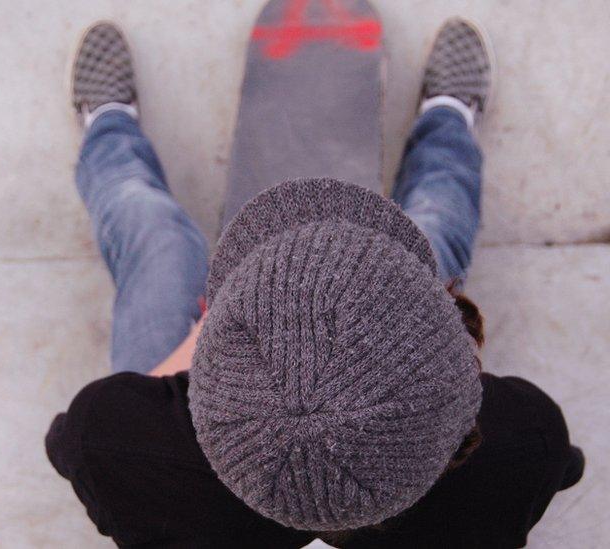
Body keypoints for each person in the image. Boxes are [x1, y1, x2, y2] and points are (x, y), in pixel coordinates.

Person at [45, 18, 584, 548]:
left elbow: (68, 442)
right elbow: (563, 466)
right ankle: (447, 121)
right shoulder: (519, 446)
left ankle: (109, 127)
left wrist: (205, 340)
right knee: (436, 220)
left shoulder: (125, 452)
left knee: (155, 235)